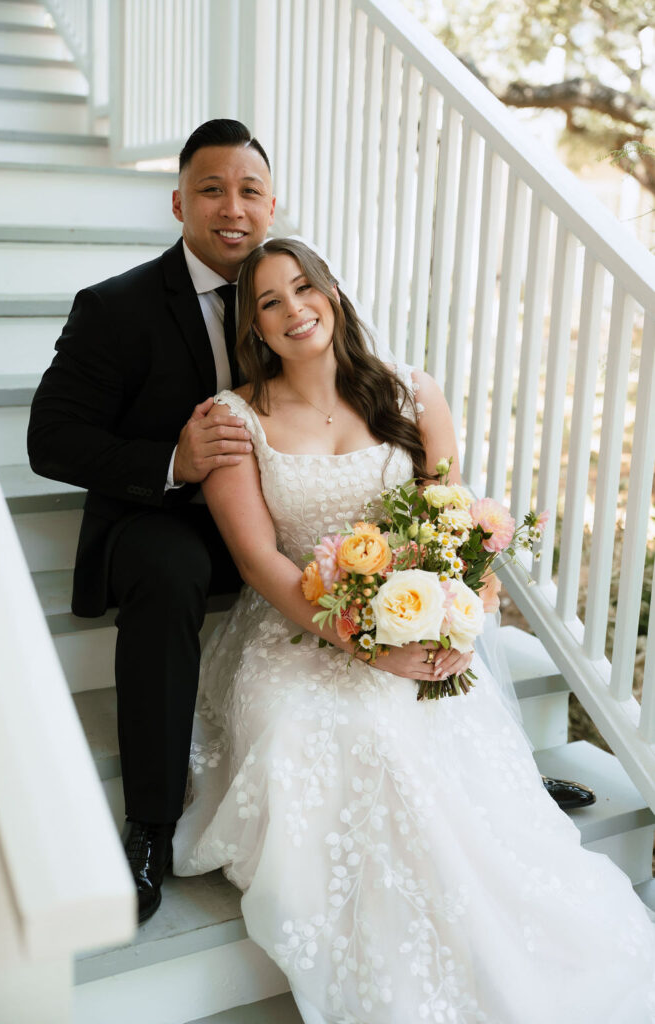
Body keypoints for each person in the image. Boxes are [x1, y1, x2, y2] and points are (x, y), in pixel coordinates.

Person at [172, 238, 655, 1023]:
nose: (294, 309)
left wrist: (457, 613)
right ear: (253, 326)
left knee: (420, 730)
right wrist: (368, 645)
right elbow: (260, 561)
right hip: (295, 629)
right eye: (269, 301)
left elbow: (450, 524)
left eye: (304, 288)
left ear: (330, 291)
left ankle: (495, 940)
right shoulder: (237, 418)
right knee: (337, 730)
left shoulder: (408, 393)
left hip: (415, 618)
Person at [27, 119, 275, 923]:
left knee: (370, 546)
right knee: (168, 579)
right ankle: (149, 825)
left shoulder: (297, 293)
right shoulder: (116, 307)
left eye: (248, 191)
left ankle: (463, 763)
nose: (230, 208)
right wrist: (172, 460)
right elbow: (50, 439)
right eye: (211, 189)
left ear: (271, 207)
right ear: (178, 202)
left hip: (272, 509)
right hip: (163, 513)